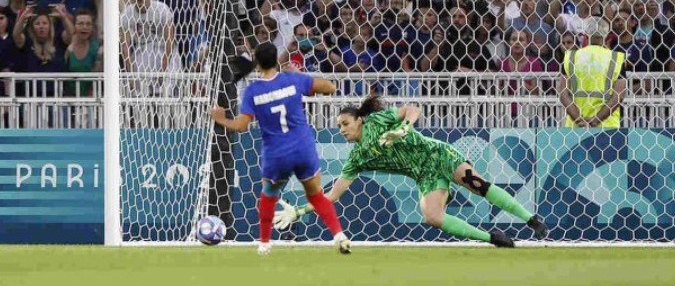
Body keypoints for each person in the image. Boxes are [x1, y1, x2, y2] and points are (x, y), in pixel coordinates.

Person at [273, 95, 549, 247]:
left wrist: (404, 128)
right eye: (339, 127)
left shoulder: (379, 120)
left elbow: (412, 109)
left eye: (345, 123)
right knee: (432, 217)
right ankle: (494, 239)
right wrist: (298, 211)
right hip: (424, 175)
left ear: (360, 120)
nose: (342, 130)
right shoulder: (357, 158)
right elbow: (332, 196)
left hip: (438, 155)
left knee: (477, 184)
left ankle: (531, 219)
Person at [210, 42, 351, 255]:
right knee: (315, 196)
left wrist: (221, 119)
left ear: (256, 61)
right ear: (277, 58)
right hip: (303, 148)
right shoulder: (293, 80)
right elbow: (330, 87)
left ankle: (265, 243)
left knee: (268, 195)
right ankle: (339, 235)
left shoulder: (253, 91)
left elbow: (240, 126)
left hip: (277, 154)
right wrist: (299, 74)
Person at [558, 16, 627, 128]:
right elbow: (618, 96)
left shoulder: (571, 57)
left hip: (575, 126)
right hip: (608, 125)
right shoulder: (616, 59)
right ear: (606, 35)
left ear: (585, 33)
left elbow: (563, 94)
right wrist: (596, 121)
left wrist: (579, 120)